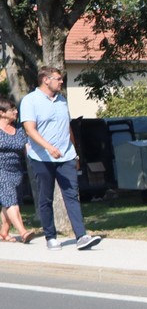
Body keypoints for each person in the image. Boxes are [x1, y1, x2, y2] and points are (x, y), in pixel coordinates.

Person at [19, 66, 100, 251]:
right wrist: (49, 147)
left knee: (72, 195)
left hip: (66, 156)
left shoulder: (62, 100)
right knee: (46, 198)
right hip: (42, 157)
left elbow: (67, 127)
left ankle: (81, 236)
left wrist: (75, 152)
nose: (62, 81)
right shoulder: (30, 101)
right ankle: (51, 237)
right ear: (46, 80)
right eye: (58, 78)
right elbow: (30, 129)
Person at [0, 97, 35, 243]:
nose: (15, 112)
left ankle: (4, 232)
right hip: (1, 170)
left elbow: (27, 148)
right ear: (2, 113)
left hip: (16, 171)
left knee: (8, 202)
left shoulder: (19, 129)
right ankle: (23, 232)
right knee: (11, 201)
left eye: (15, 109)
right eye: (12, 109)